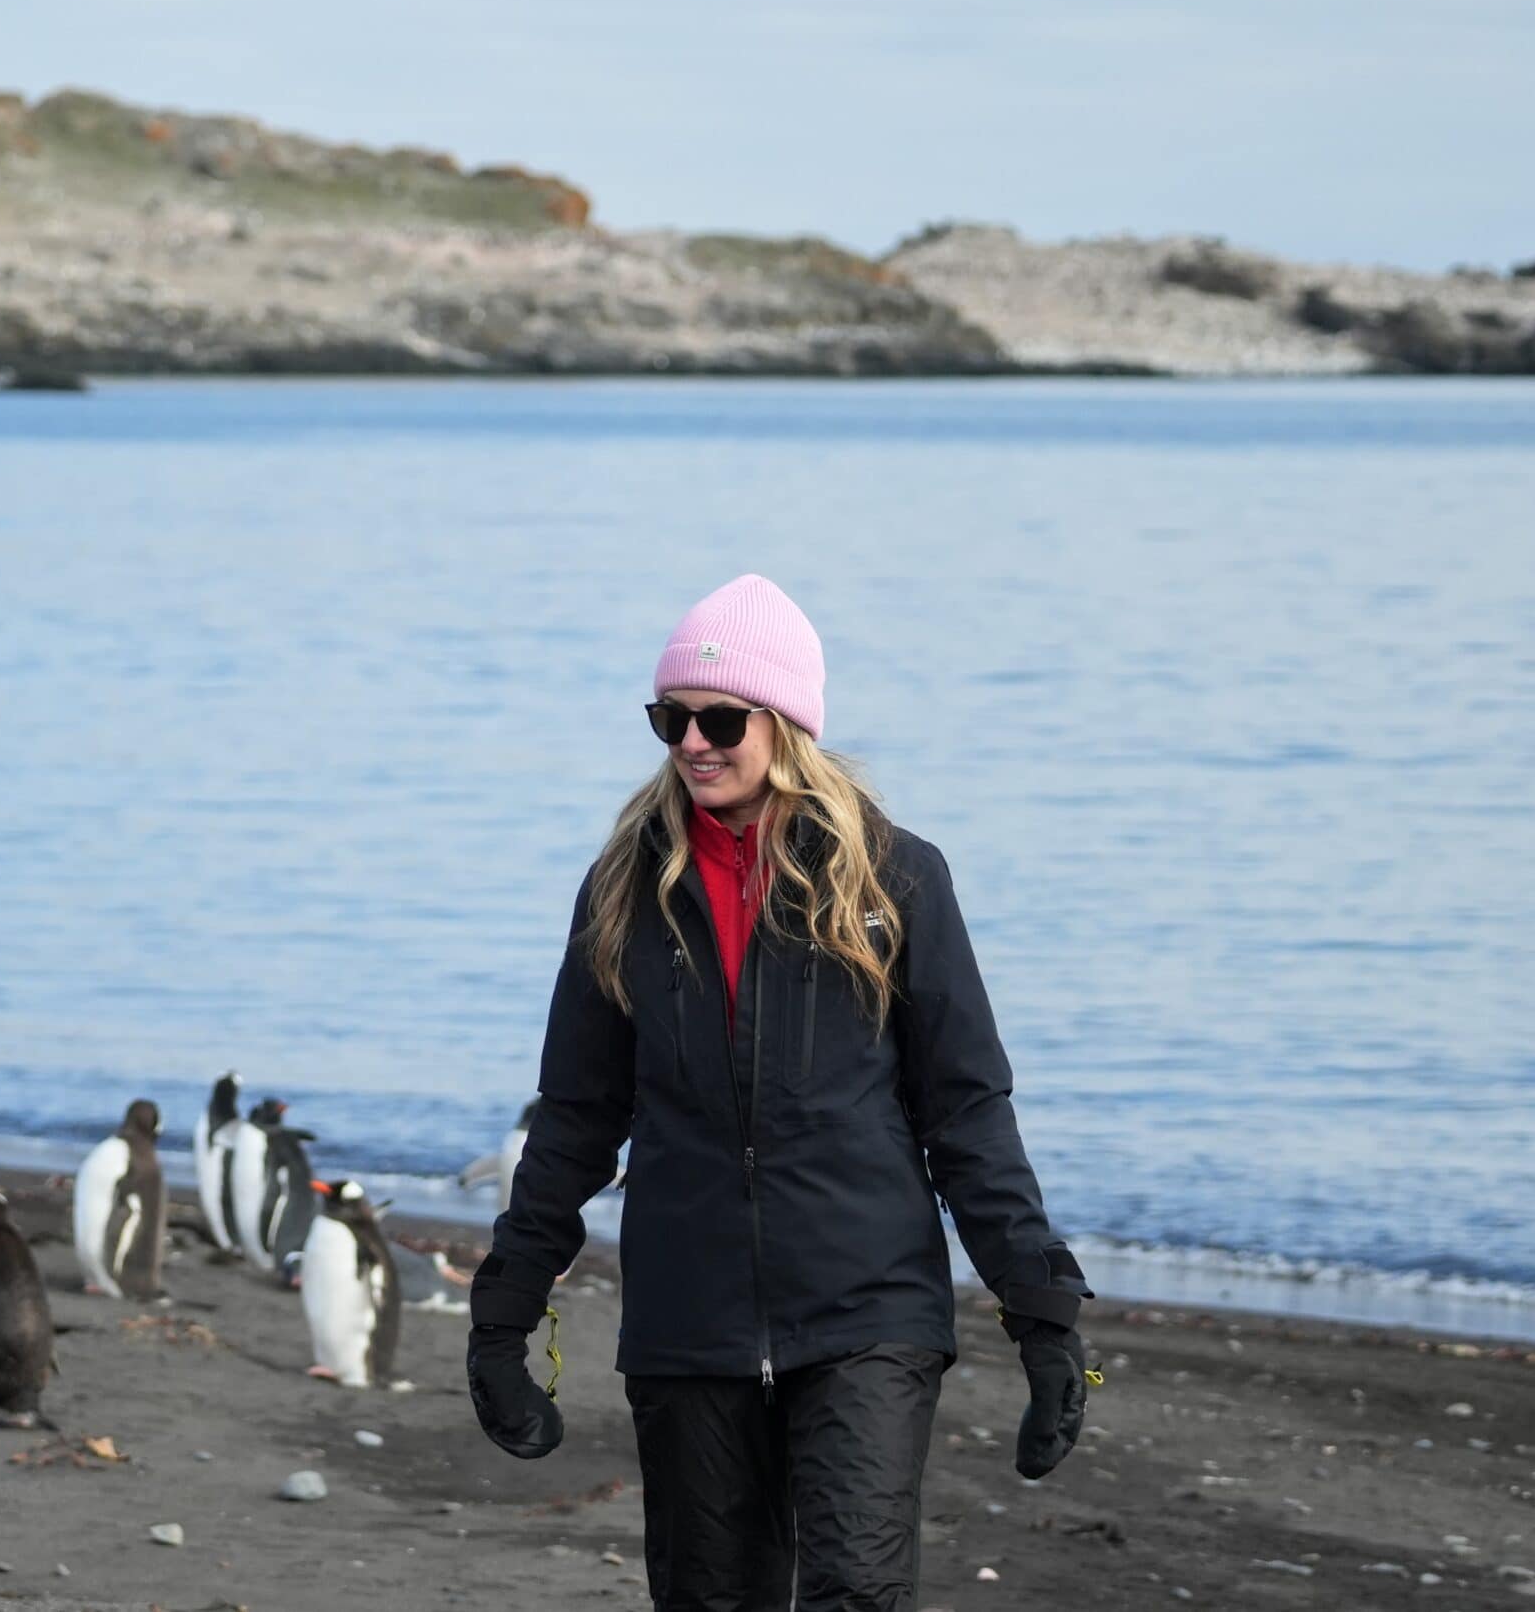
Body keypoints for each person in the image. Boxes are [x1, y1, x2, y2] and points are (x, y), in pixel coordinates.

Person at [465, 575, 1093, 1612]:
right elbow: (576, 1119)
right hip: (687, 1320)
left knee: (856, 1593)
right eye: (671, 718)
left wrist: (1042, 1316)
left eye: (719, 719)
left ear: (788, 724)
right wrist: (502, 1318)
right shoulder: (622, 890)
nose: (691, 743)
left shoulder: (895, 880)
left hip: (868, 1311)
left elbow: (966, 1112)